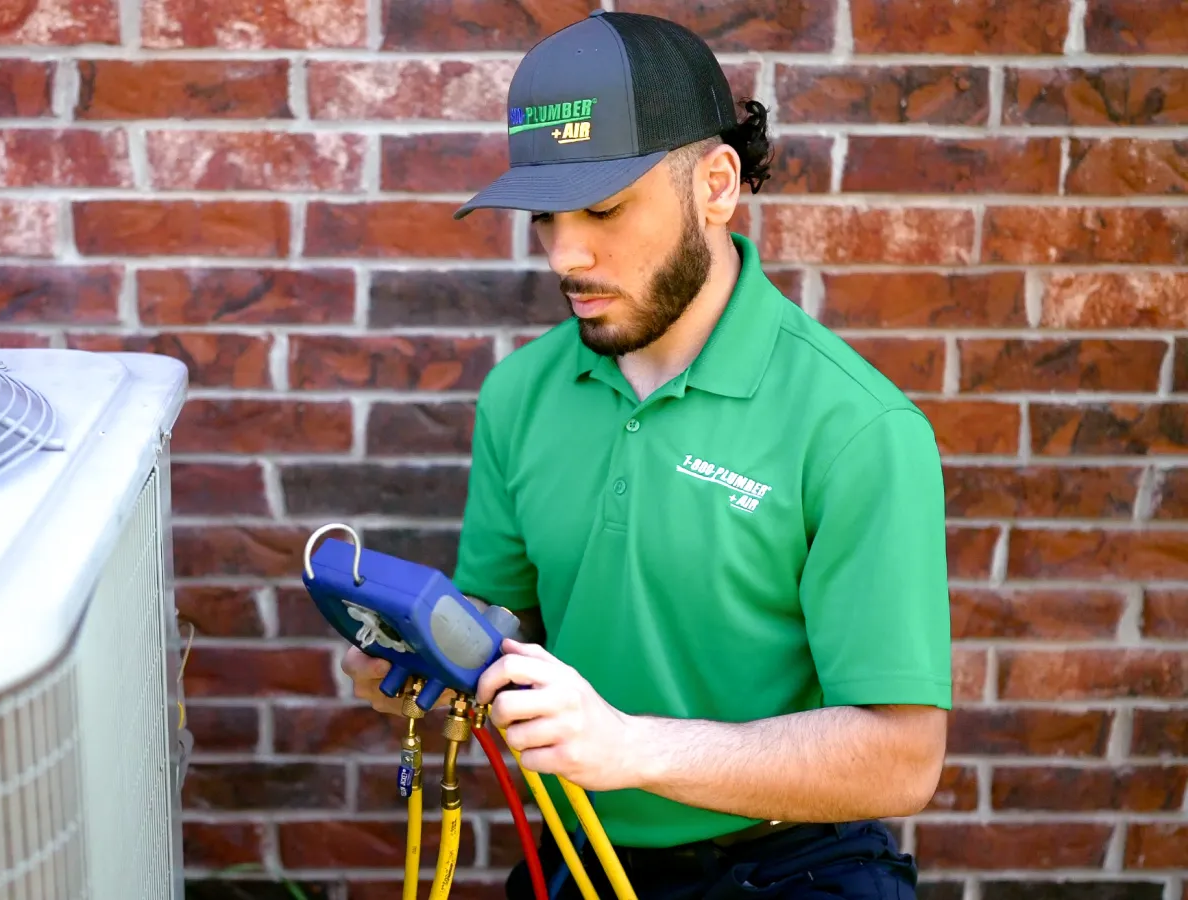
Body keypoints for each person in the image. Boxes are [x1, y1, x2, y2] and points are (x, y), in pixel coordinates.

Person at [339, 10, 953, 900]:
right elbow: (505, 628)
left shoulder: (855, 426)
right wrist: (428, 659)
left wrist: (630, 747)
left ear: (716, 183)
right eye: (546, 215)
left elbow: (902, 761)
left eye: (604, 208)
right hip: (577, 860)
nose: (567, 253)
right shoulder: (521, 395)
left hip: (792, 868)